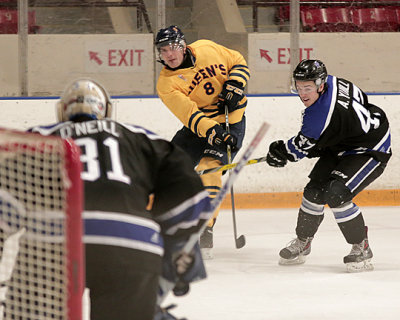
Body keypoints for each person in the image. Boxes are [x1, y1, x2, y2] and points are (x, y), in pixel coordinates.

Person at [29, 78, 212, 320]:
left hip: (54, 245)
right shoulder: (138, 136)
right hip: (131, 244)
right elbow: (191, 194)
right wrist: (172, 245)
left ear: (62, 111)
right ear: (106, 111)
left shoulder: (38, 137)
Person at [266, 59, 391, 272]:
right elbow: (360, 101)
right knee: (313, 191)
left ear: (320, 85)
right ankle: (303, 241)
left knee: (336, 194)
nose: (303, 93)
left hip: (369, 148)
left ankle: (361, 247)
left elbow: (300, 149)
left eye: (308, 88)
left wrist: (281, 153)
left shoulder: (319, 115)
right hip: (343, 142)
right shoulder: (336, 82)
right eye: (299, 87)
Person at [155, 25, 250, 258]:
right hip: (200, 127)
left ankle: (205, 229)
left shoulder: (207, 48)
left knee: (210, 170)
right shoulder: (166, 84)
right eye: (163, 50)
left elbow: (237, 60)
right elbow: (190, 115)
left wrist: (235, 84)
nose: (169, 54)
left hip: (231, 122)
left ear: (184, 45)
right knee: (170, 169)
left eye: (174, 47)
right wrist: (215, 132)